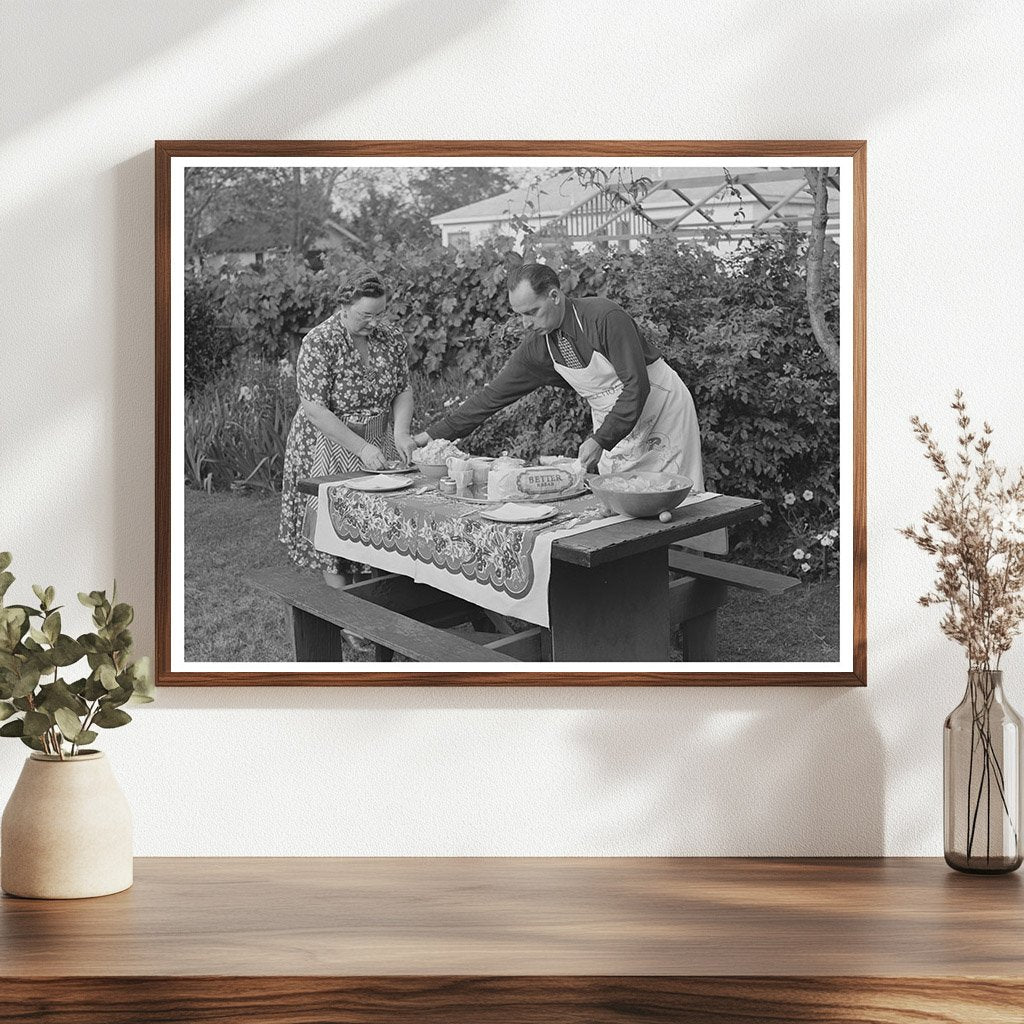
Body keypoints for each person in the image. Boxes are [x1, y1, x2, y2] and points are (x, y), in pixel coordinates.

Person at [413, 262, 707, 486]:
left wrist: (601, 439)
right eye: (519, 315)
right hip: (616, 429)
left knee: (677, 498)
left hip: (663, 411)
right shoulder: (538, 348)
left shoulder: (605, 318)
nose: (526, 324)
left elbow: (637, 386)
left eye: (532, 312)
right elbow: (490, 398)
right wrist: (426, 438)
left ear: (554, 296)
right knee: (623, 504)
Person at [279, 271, 416, 586]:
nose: (374, 323)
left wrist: (400, 433)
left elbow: (403, 389)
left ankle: (375, 599)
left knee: (375, 525)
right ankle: (344, 612)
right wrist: (362, 448)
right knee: (332, 530)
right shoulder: (320, 341)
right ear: (343, 305)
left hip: (377, 440)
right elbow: (315, 410)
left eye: (379, 314)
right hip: (326, 443)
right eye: (366, 315)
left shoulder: (392, 338)